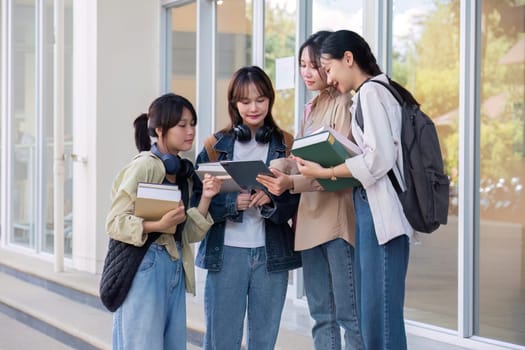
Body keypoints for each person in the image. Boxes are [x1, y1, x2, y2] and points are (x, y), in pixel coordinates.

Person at [293, 29, 417, 350]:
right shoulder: (373, 92)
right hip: (373, 213)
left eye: (328, 67)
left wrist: (328, 170)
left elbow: (379, 159)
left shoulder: (371, 93)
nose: (328, 77)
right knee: (375, 316)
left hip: (383, 218)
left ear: (348, 59)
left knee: (381, 321)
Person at [256, 31, 362, 350]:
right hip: (309, 223)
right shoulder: (311, 108)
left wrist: (291, 181)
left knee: (349, 316)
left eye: (312, 65)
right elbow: (302, 160)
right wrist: (280, 166)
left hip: (337, 222)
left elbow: (341, 167)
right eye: (302, 64)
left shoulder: (344, 103)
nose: (306, 72)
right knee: (321, 316)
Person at [192, 66, 301, 350]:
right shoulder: (215, 146)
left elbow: (300, 201)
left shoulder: (286, 145)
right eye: (245, 101)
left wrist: (272, 199)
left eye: (261, 100)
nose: (254, 108)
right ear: (234, 104)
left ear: (270, 101)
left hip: (271, 256)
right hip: (226, 253)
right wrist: (231, 203)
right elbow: (197, 202)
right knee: (221, 341)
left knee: (263, 341)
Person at [105, 93, 222, 350]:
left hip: (175, 264)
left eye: (192, 123)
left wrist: (206, 199)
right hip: (146, 266)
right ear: (160, 130)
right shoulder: (145, 166)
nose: (190, 131)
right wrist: (157, 225)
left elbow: (186, 233)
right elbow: (115, 222)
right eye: (182, 125)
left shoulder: (182, 171)